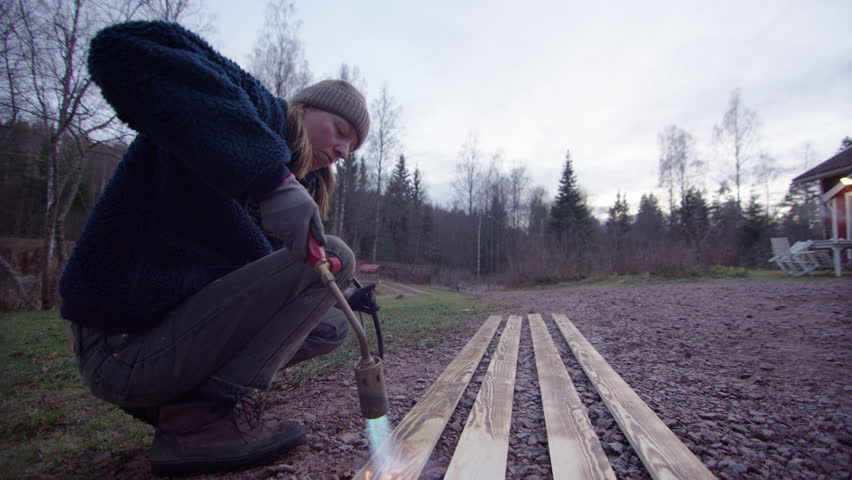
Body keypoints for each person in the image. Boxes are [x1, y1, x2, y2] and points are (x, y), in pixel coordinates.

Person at [59, 20, 372, 476]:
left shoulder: (296, 186)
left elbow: (255, 285)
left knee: (330, 327)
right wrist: (267, 176)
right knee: (338, 254)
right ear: (303, 109)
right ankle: (194, 423)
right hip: (121, 347)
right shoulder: (255, 113)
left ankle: (183, 407)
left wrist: (338, 294)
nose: (343, 148)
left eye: (352, 146)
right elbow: (122, 47)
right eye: (339, 130)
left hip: (165, 339)